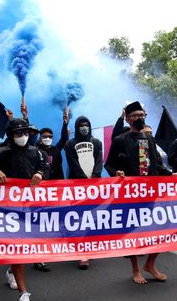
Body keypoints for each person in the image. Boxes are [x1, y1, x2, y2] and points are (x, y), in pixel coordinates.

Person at [105, 101, 177, 285]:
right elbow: (109, 164)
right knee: (134, 233)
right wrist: (117, 173)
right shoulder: (120, 140)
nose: (140, 118)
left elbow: (157, 165)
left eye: (142, 115)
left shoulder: (149, 139)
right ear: (128, 119)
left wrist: (172, 174)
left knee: (160, 230)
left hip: (151, 193)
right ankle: (136, 270)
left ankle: (150, 264)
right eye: (136, 116)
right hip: (130, 196)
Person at [0, 118, 47, 301]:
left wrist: (40, 174)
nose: (23, 136)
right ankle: (24, 292)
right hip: (8, 209)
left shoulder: (36, 153)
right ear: (11, 135)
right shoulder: (0, 154)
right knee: (17, 246)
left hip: (31, 206)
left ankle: (11, 270)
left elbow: (46, 169)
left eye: (26, 133)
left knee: (26, 246)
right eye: (19, 133)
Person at [64, 115, 103, 270]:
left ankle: (90, 246)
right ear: (77, 127)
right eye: (82, 125)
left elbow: (99, 160)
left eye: (87, 124)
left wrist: (94, 176)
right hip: (76, 185)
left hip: (93, 185)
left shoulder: (97, 142)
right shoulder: (70, 143)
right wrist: (82, 179)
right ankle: (81, 252)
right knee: (79, 217)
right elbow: (72, 163)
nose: (84, 127)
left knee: (92, 217)